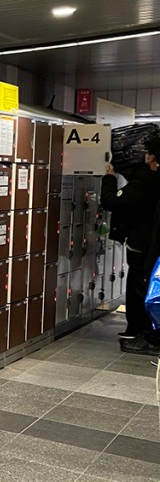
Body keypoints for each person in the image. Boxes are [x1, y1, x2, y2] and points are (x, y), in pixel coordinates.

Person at [102, 135, 160, 354]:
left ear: (152, 157)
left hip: (143, 245)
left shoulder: (146, 181)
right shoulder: (151, 179)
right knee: (146, 287)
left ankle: (141, 331)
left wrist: (109, 178)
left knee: (140, 288)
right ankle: (144, 331)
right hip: (150, 244)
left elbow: (111, 201)